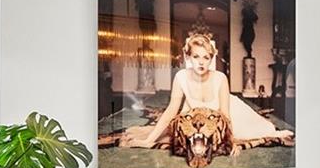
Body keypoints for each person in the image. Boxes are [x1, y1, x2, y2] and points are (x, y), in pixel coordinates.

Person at [125, 31, 295, 149]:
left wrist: (230, 141)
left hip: (233, 115)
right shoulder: (181, 77)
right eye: (196, 56)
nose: (201, 62)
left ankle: (272, 131)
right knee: (175, 135)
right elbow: (171, 110)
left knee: (261, 132)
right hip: (202, 118)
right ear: (188, 57)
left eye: (206, 57)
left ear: (211, 58)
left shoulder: (220, 77)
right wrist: (149, 140)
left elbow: (226, 115)